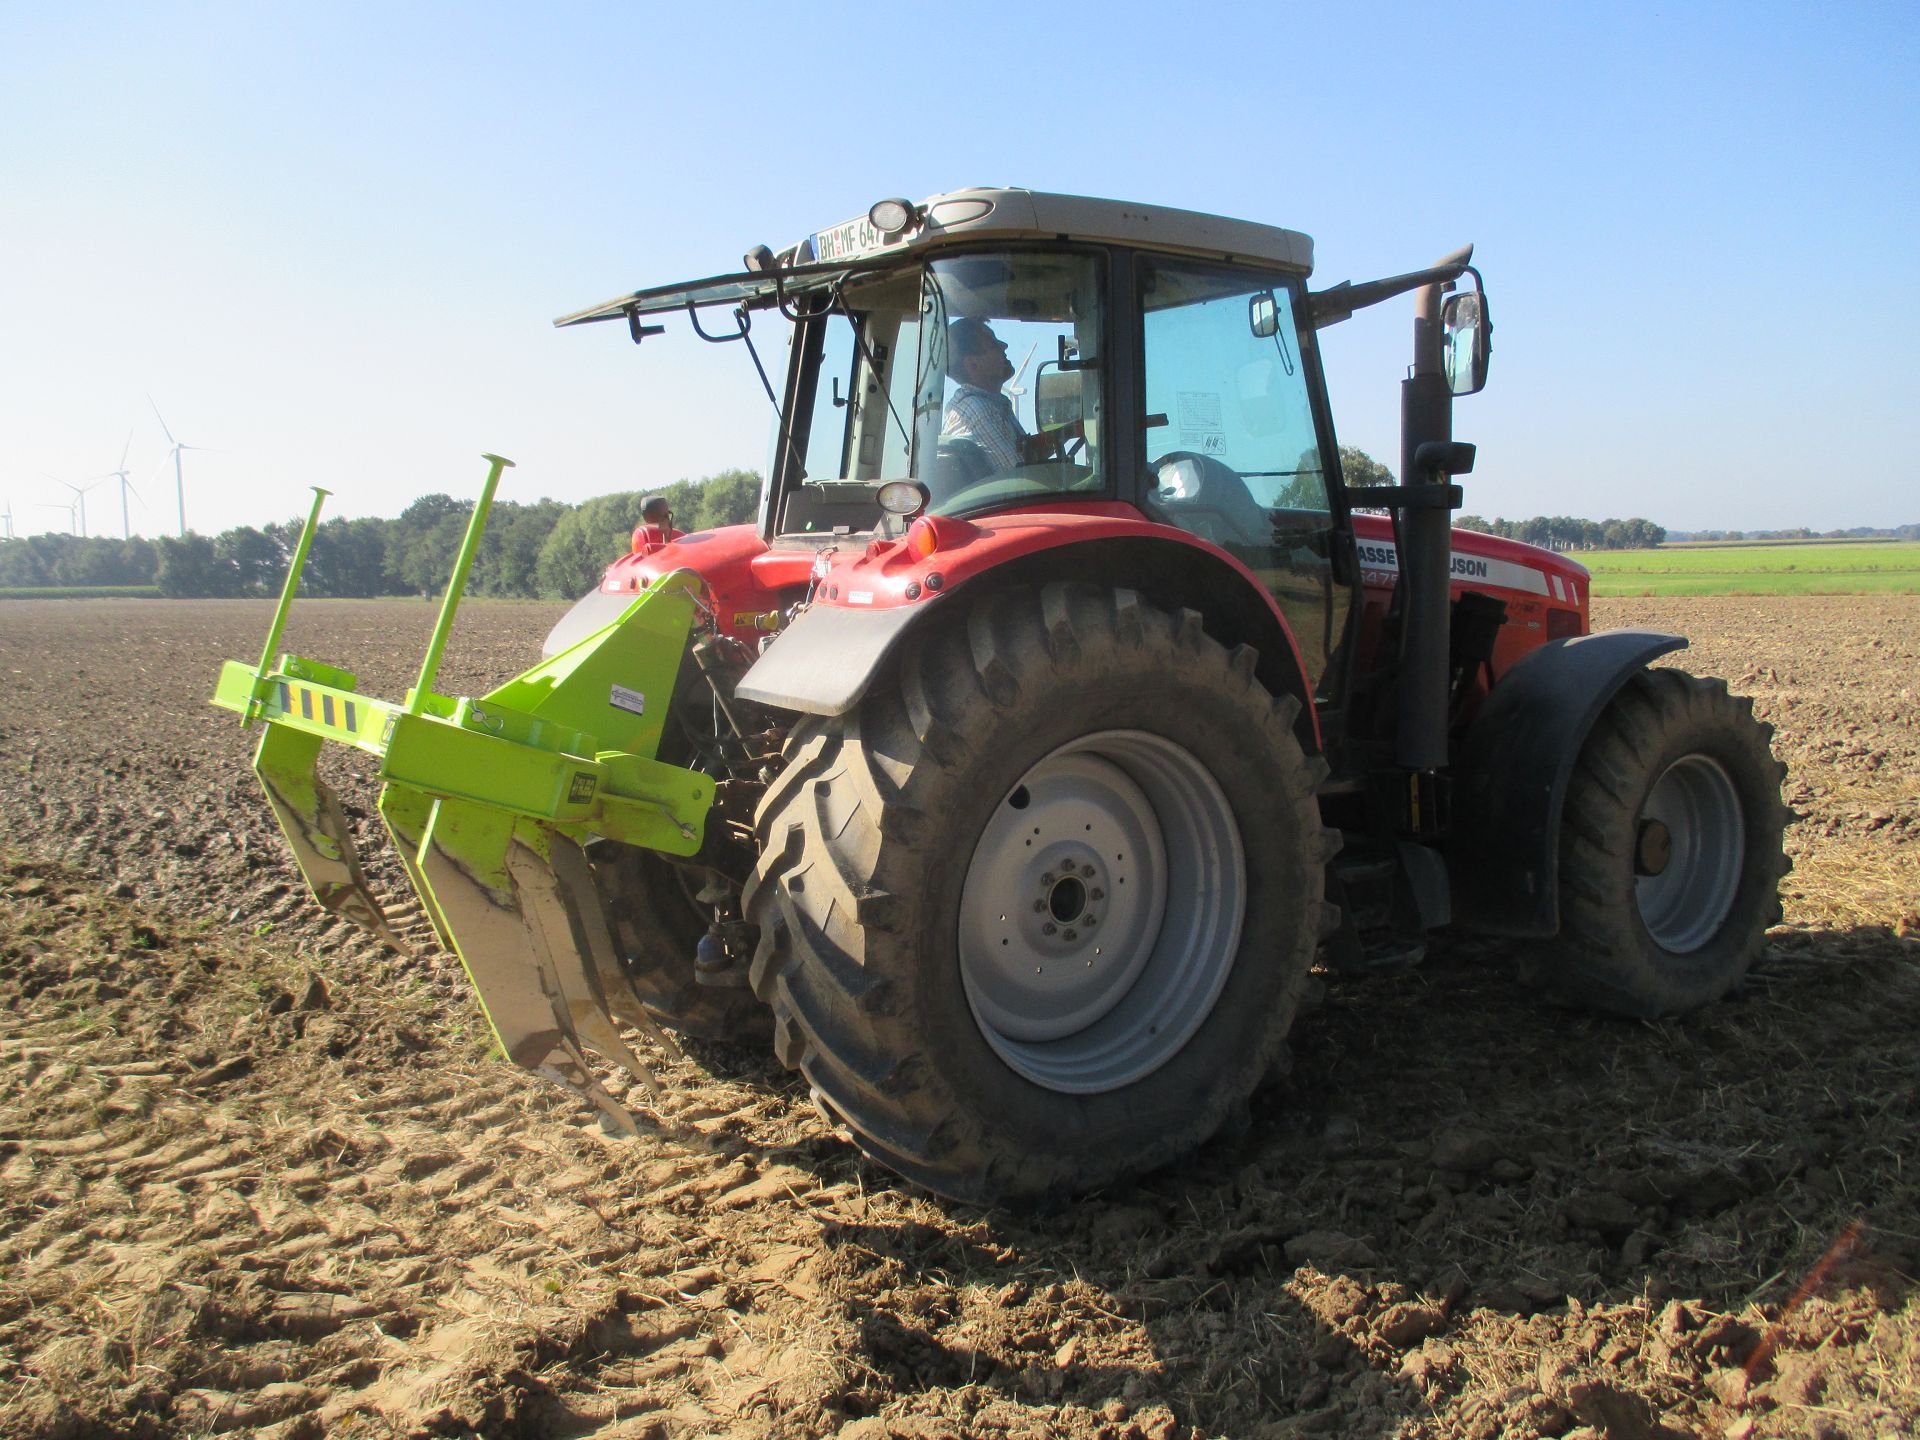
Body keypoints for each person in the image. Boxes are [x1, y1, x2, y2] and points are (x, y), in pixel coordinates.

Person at [940, 318, 1076, 470]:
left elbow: (1025, 455)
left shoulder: (987, 404)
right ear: (973, 364)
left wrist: (1070, 431)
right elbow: (1019, 476)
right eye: (993, 343)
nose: (1004, 346)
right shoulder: (978, 410)